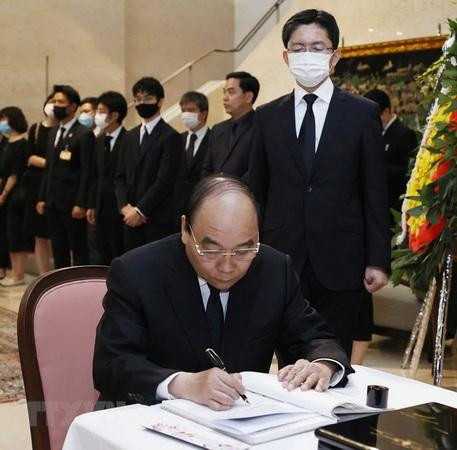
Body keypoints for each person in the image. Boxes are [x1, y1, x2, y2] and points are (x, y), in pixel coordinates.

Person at [93, 175, 353, 410]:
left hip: (242, 425)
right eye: (211, 250)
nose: (227, 267)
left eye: (243, 250)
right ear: (185, 229)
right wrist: (182, 384)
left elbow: (315, 338)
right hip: (148, 422)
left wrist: (322, 365)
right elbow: (112, 364)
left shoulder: (274, 270)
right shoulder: (137, 272)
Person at [248, 9, 390, 357]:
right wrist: (251, 252)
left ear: (334, 55)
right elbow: (257, 191)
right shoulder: (267, 116)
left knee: (334, 361)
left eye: (317, 47)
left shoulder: (362, 113)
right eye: (298, 48)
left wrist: (378, 259)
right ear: (286, 57)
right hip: (282, 256)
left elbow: (374, 191)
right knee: (290, 362)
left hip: (343, 258)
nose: (307, 55)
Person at [350, 89, 418, 364]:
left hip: (389, 213)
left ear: (385, 112)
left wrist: (376, 166)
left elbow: (407, 170)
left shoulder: (404, 134)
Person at [115, 76, 183, 251]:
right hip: (129, 218)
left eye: (147, 98)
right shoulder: (129, 137)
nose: (141, 103)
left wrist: (140, 211)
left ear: (159, 101)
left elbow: (165, 180)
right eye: (137, 99)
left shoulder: (171, 137)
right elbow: (119, 176)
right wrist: (125, 207)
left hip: (157, 218)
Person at [37, 85, 95, 269]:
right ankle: (60, 282)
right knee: (58, 247)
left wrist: (81, 203)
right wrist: (42, 197)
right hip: (52, 200)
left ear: (73, 106)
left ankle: (80, 282)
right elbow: (49, 168)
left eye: (60, 102)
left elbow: (86, 171)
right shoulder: (53, 131)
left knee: (78, 248)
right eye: (54, 101)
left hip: (72, 201)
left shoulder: (84, 134)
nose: (55, 105)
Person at [86, 91, 128, 265]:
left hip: (119, 208)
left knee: (119, 252)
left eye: (101, 111)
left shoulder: (129, 139)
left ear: (115, 115)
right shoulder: (99, 139)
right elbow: (95, 175)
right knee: (101, 253)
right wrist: (91, 204)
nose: (97, 115)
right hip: (101, 206)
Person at [364, 88, 418, 219]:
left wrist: (380, 169)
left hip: (394, 206)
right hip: (375, 205)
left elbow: (411, 170)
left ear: (386, 112)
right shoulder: (373, 133)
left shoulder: (404, 134)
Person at [201, 72, 259, 179]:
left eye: (231, 92)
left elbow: (258, 168)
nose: (225, 98)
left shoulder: (261, 127)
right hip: (216, 188)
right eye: (224, 92)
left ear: (248, 97)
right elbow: (207, 168)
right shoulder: (217, 129)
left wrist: (232, 187)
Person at [24, 92, 57, 275]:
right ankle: (43, 275)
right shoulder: (36, 128)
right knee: (39, 235)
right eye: (51, 102)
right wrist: (52, 163)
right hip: (36, 185)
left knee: (58, 234)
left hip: (57, 184)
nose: (53, 105)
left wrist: (48, 164)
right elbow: (29, 157)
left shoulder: (62, 129)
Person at [0, 107, 34, 286]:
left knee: (17, 234)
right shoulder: (6, 143)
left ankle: (18, 274)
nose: (2, 123)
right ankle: (13, 271)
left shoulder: (22, 143)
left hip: (16, 195)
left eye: (4, 119)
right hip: (6, 193)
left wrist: (4, 193)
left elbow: (15, 173)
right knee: (8, 234)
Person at [172, 91, 211, 228]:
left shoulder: (214, 138)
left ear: (203, 113)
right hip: (176, 209)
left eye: (191, 110)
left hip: (201, 205)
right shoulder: (176, 139)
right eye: (183, 110)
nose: (186, 114)